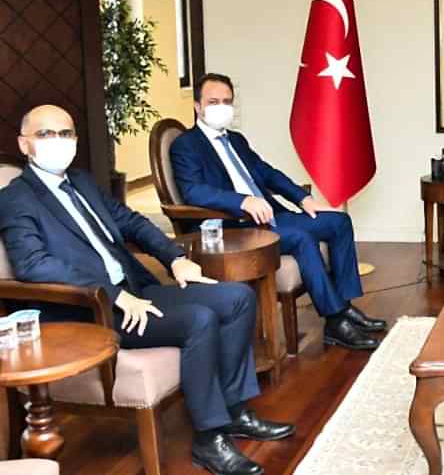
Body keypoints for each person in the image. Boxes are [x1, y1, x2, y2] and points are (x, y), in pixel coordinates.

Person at [0, 105, 294, 475]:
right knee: (199, 320)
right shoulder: (15, 198)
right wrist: (114, 294)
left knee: (238, 298)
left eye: (66, 133)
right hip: (93, 310)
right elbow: (34, 264)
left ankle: (234, 411)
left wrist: (175, 258)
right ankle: (209, 439)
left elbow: (132, 222)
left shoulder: (82, 182)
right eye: (46, 134)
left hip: (136, 290)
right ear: (24, 144)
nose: (58, 141)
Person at [169, 74, 385, 352]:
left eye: (227, 101)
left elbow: (267, 173)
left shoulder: (236, 140)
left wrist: (302, 197)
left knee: (339, 222)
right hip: (235, 226)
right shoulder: (186, 145)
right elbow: (193, 191)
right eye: (213, 102)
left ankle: (345, 307)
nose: (221, 107)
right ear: (198, 106)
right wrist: (242, 201)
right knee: (301, 238)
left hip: (269, 216)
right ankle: (334, 321)